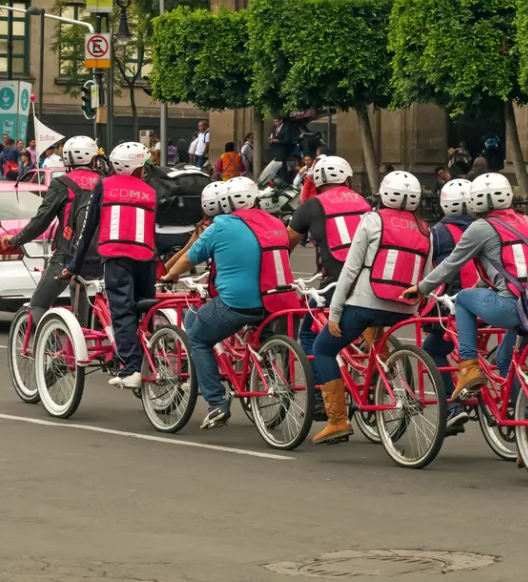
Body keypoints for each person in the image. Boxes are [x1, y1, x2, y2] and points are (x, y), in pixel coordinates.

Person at [405, 173, 528, 452]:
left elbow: (451, 265)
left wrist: (421, 288)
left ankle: (468, 367)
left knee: (465, 299)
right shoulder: (527, 222)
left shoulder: (481, 227)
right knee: (505, 361)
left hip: (512, 306)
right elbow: (506, 270)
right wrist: (481, 287)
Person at [161, 177, 298, 429]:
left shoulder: (221, 225)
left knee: (198, 338)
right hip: (276, 300)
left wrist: (170, 275)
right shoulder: (274, 221)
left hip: (238, 303)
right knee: (259, 334)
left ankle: (216, 403)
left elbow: (190, 258)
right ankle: (268, 372)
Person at [312, 170, 431, 445]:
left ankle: (337, 420)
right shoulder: (426, 229)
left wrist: (335, 312)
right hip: (404, 308)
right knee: (376, 341)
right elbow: (426, 274)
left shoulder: (372, 220)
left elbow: (351, 269)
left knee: (323, 348)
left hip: (367, 303)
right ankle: (376, 386)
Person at [1, 137, 106, 345]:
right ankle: (82, 345)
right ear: (95, 159)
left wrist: (15, 240)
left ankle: (54, 352)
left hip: (67, 257)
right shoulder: (105, 182)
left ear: (67, 159)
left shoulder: (62, 184)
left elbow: (40, 221)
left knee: (38, 304)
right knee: (83, 300)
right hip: (103, 257)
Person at [286, 155, 370, 417]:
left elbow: (287, 243)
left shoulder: (311, 206)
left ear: (317, 182)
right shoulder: (363, 202)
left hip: (335, 283)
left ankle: (321, 399)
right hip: (371, 282)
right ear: (347, 179)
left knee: (310, 334)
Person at [417, 178, 477, 435]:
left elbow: (428, 269)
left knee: (433, 349)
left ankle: (452, 407)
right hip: (488, 302)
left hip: (453, 305)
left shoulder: (437, 233)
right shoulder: (484, 226)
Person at [97, 142, 159, 389]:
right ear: (139, 168)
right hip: (146, 257)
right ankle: (152, 360)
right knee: (146, 310)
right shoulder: (150, 190)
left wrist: (75, 264)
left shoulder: (104, 185)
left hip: (115, 255)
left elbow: (89, 227)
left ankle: (130, 368)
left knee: (122, 311)